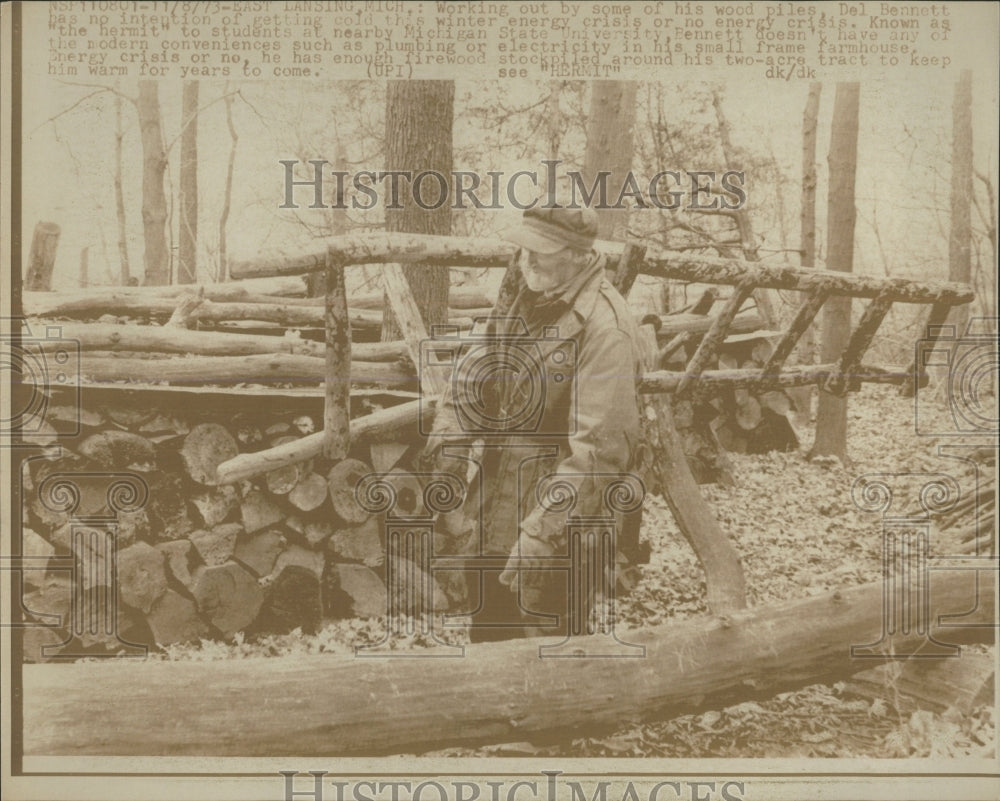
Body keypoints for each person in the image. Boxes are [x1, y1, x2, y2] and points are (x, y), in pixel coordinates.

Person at [427, 205, 644, 641]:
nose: (526, 261)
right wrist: (449, 442)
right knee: (490, 638)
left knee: (551, 651)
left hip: (563, 521)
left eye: (539, 252)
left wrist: (541, 534)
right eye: (524, 249)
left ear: (577, 255)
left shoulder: (607, 329)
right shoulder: (523, 298)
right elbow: (474, 373)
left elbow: (597, 454)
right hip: (499, 506)